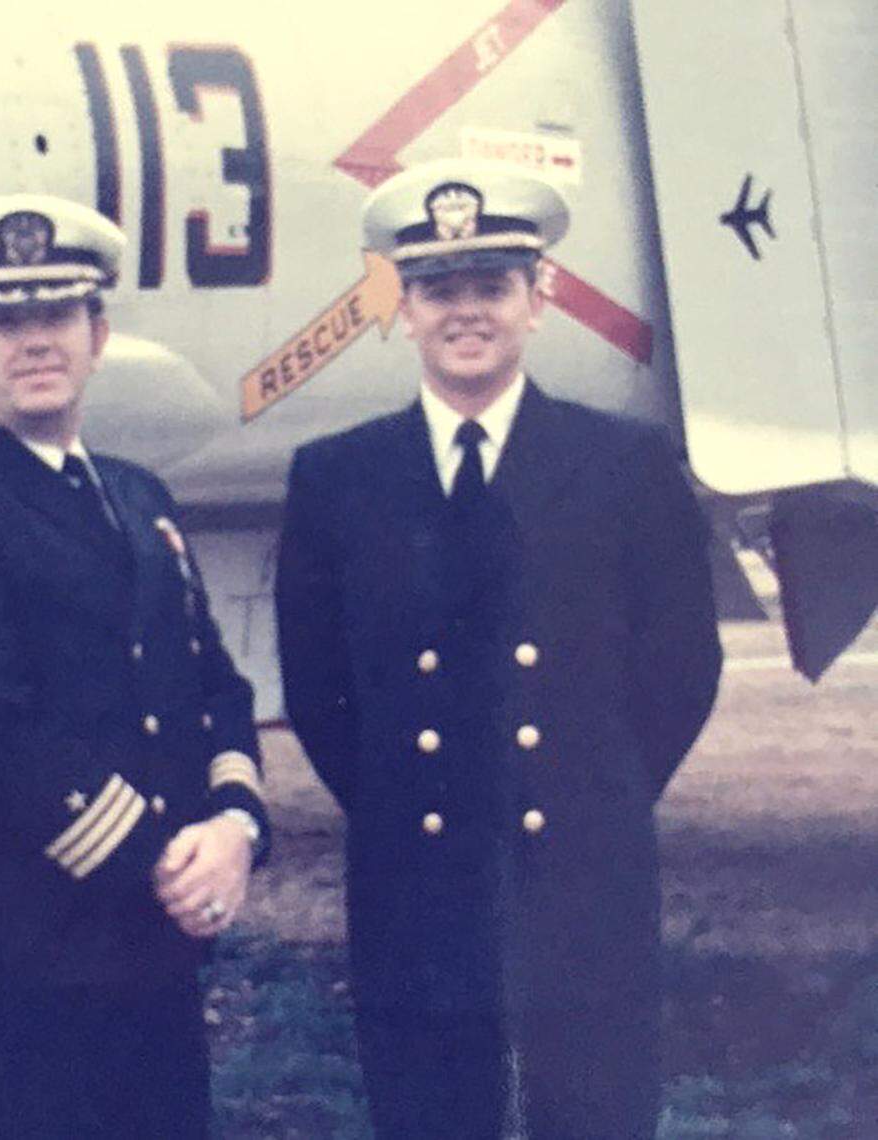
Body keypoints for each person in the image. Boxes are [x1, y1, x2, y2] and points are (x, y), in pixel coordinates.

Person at [275, 160, 722, 1139]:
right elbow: (318, 690)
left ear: (539, 300)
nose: (465, 312)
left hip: (584, 870)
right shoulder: (338, 478)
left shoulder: (625, 467)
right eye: (439, 290)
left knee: (598, 1113)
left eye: (491, 287)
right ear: (402, 307)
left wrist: (594, 790)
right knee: (433, 1113)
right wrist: (410, 799)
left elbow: (682, 666)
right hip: (417, 873)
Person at [0, 193, 268, 1139]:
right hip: (27, 947)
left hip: (153, 945)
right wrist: (166, 860)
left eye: (56, 315)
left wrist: (237, 825)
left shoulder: (139, 497)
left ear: (98, 335)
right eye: (4, 320)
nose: (34, 341)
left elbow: (216, 686)